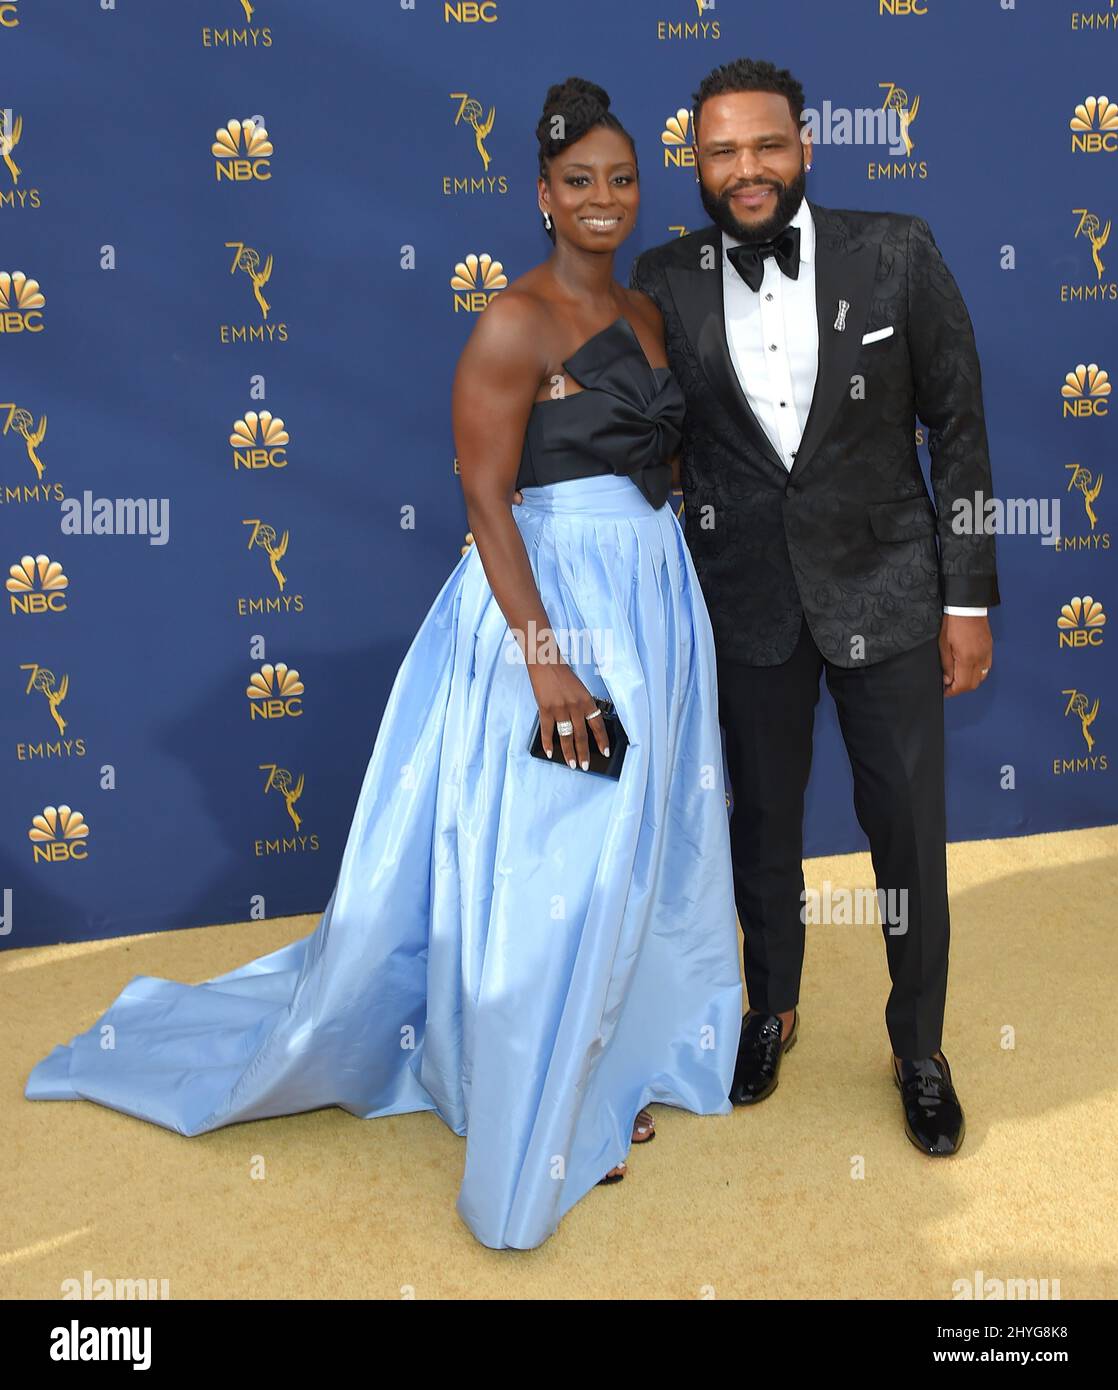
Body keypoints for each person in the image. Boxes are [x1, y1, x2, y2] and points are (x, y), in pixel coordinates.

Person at [24, 77, 743, 1250]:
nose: (603, 199)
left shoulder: (649, 312)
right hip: (551, 603)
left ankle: (613, 1049)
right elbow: (481, 491)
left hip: (650, 594)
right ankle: (537, 1092)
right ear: (539, 195)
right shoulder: (510, 320)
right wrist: (547, 660)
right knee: (552, 848)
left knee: (630, 844)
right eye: (579, 182)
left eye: (620, 179)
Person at [629, 58, 999, 1156]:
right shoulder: (662, 277)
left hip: (887, 587)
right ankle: (769, 1009)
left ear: (804, 146)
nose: (744, 171)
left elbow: (962, 431)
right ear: (694, 165)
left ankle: (918, 1047)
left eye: (764, 146)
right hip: (743, 600)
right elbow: (640, 432)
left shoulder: (893, 251)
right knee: (762, 825)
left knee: (904, 835)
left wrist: (966, 596)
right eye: (720, 152)